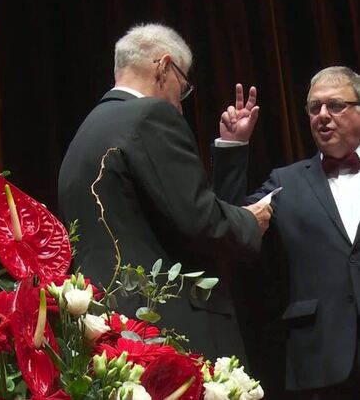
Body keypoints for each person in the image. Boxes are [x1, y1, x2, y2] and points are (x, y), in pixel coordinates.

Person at [58, 23, 272, 359]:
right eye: (182, 88)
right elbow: (198, 219)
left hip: (104, 325)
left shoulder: (85, 132)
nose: (180, 106)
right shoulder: (149, 115)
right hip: (164, 325)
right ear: (164, 66)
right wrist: (249, 221)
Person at [213, 66, 360, 399]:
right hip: (321, 360)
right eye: (314, 107)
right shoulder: (287, 182)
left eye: (336, 105)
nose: (323, 115)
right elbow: (231, 223)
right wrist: (233, 146)